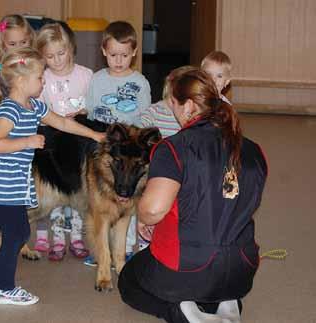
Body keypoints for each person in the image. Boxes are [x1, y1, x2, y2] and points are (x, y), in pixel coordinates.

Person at [118, 69, 268, 323]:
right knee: (211, 281)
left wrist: (144, 217)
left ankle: (183, 313)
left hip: (187, 266)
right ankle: (226, 302)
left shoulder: (174, 147)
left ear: (187, 106)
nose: (172, 112)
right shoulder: (255, 151)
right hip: (240, 269)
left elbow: (153, 209)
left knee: (129, 281)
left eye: (173, 105)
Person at [0, 48, 104, 306]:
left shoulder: (34, 105)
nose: (44, 81)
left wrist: (94, 135)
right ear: (21, 81)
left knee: (16, 231)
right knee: (17, 233)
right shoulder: (10, 110)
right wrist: (27, 141)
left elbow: (62, 123)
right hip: (2, 182)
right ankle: (6, 289)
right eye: (40, 77)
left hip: (14, 181)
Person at [84, 21, 151, 265]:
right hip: (103, 142)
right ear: (104, 51)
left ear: (134, 53)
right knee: (102, 196)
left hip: (129, 145)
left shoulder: (141, 82)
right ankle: (101, 247)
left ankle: (125, 249)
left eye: (124, 55)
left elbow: (144, 117)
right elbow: (90, 111)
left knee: (128, 199)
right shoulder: (97, 79)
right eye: (113, 55)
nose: (119, 60)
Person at [33, 23, 93, 261]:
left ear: (71, 48)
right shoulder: (43, 78)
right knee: (55, 193)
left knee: (78, 192)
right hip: (53, 144)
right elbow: (38, 110)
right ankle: (57, 239)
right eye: (49, 56)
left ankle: (77, 237)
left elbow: (94, 106)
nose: (57, 61)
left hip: (78, 144)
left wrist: (84, 111)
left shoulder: (86, 75)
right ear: (42, 57)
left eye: (61, 53)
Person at [139, 65, 196, 251]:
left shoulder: (190, 113)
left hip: (184, 172)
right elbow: (140, 131)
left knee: (175, 213)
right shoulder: (154, 111)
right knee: (151, 210)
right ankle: (144, 248)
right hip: (159, 172)